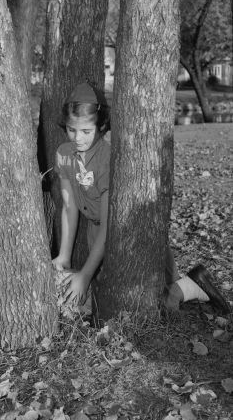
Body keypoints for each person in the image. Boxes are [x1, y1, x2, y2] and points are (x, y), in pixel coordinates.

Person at [53, 82, 229, 315]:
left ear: (102, 125)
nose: (77, 138)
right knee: (103, 297)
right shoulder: (64, 155)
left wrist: (85, 275)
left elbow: (110, 225)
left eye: (86, 131)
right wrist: (64, 256)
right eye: (71, 129)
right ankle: (189, 285)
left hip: (126, 234)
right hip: (96, 235)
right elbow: (68, 207)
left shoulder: (107, 160)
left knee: (145, 302)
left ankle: (191, 285)